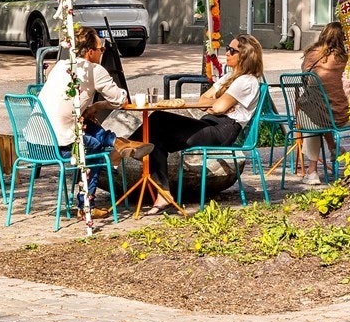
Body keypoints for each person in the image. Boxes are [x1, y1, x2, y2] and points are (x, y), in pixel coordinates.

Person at [146, 34, 266, 202]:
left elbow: (217, 107)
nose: (228, 53)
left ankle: (121, 149)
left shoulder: (246, 81)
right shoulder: (228, 78)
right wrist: (220, 103)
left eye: (232, 50)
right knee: (154, 139)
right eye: (228, 49)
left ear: (245, 55)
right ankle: (163, 194)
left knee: (159, 118)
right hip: (210, 123)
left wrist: (218, 105)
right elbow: (203, 100)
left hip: (224, 129)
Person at [39, 27, 152, 167]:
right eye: (101, 49)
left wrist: (94, 106)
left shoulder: (60, 65)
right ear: (90, 52)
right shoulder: (93, 70)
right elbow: (121, 100)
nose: (102, 53)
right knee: (95, 144)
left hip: (36, 141)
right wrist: (99, 105)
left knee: (85, 122)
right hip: (59, 145)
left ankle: (119, 142)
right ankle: (93, 183)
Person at [296, 22, 349, 177]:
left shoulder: (311, 55)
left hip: (316, 115)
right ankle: (334, 148)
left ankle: (312, 172)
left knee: (313, 112)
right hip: (344, 115)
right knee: (321, 112)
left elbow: (305, 81)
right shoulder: (346, 58)